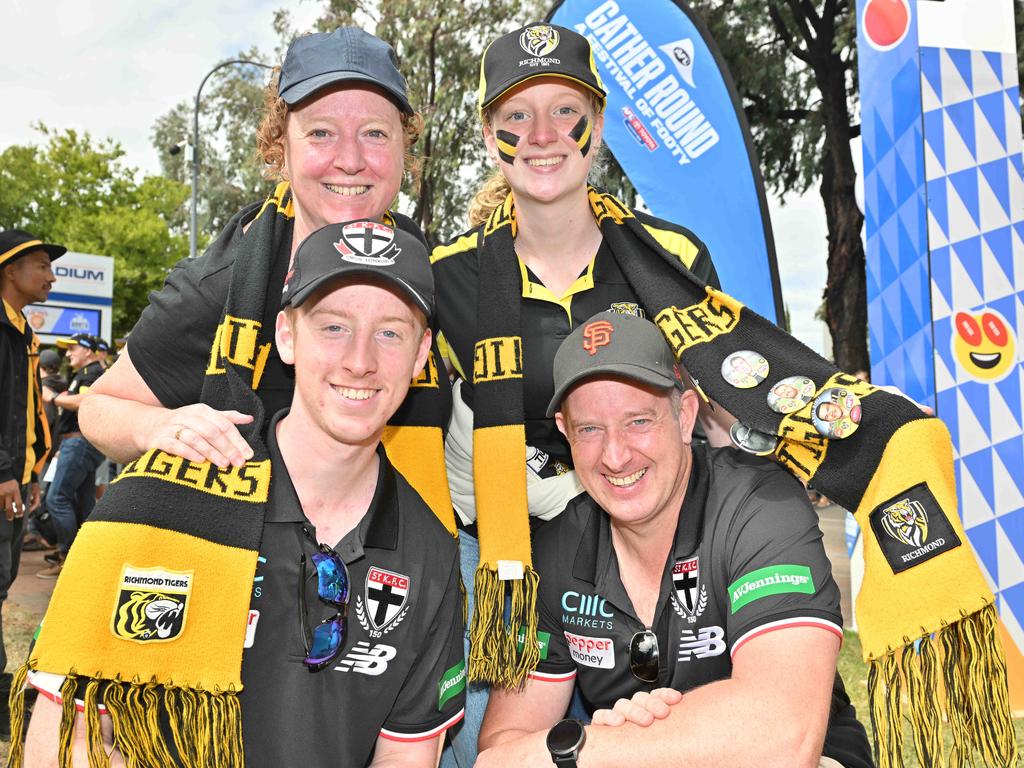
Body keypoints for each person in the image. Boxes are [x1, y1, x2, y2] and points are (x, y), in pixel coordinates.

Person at [24, 221, 466, 767]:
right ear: (286, 334)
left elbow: (406, 758)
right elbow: (69, 738)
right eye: (333, 327)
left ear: (423, 354)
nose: (360, 360)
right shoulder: (160, 503)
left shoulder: (430, 548)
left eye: (391, 333)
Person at [430, 22, 719, 766]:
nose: (542, 135)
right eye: (515, 117)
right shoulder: (446, 274)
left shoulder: (671, 255)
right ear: (489, 133)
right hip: (491, 549)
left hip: (625, 538)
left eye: (565, 110)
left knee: (645, 728)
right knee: (475, 740)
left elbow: (716, 410)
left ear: (598, 121)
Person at [77, 27, 451, 515]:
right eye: (321, 132)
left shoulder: (424, 271)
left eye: (375, 133)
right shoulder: (223, 283)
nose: (351, 160)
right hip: (240, 563)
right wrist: (156, 427)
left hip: (399, 560)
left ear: (405, 149)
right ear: (281, 147)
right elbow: (98, 407)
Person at [475, 312, 869, 768]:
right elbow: (503, 747)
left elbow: (782, 735)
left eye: (638, 421)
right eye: (590, 429)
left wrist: (599, 750)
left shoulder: (759, 505)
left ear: (685, 416)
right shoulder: (558, 546)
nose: (616, 455)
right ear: (564, 432)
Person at [0, 229, 62, 736]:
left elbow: (24, 412)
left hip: (17, 481)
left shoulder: (22, 329)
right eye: (40, 265)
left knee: (2, 583)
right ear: (9, 270)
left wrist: (33, 468)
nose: (50, 275)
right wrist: (3, 472)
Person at [36, 333, 106, 579]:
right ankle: (86, 556)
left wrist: (55, 399)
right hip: (79, 444)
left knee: (57, 499)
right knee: (84, 503)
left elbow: (86, 401)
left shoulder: (92, 373)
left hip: (78, 444)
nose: (67, 354)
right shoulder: (86, 374)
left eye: (72, 348)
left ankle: (67, 556)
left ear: (88, 350)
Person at [21, 348, 66, 552]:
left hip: (42, 453)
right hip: (56, 449)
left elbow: (43, 422)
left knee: (40, 496)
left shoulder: (45, 388)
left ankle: (36, 533)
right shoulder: (64, 385)